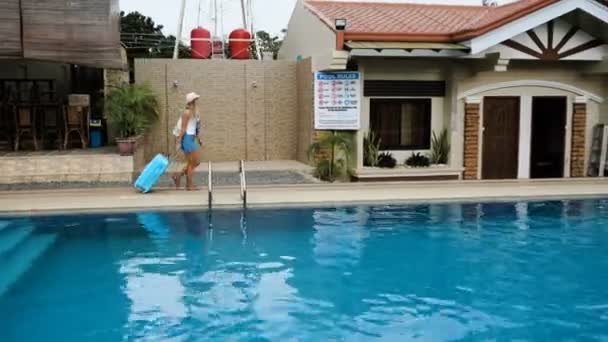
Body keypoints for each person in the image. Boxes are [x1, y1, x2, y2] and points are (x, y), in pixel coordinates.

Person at [173, 92, 203, 190]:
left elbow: (196, 127)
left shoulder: (195, 112)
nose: (196, 102)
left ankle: (178, 175)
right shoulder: (186, 113)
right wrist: (178, 141)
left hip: (191, 138)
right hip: (186, 138)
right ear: (191, 102)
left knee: (196, 162)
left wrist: (199, 139)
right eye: (195, 100)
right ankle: (189, 185)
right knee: (192, 162)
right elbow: (183, 128)